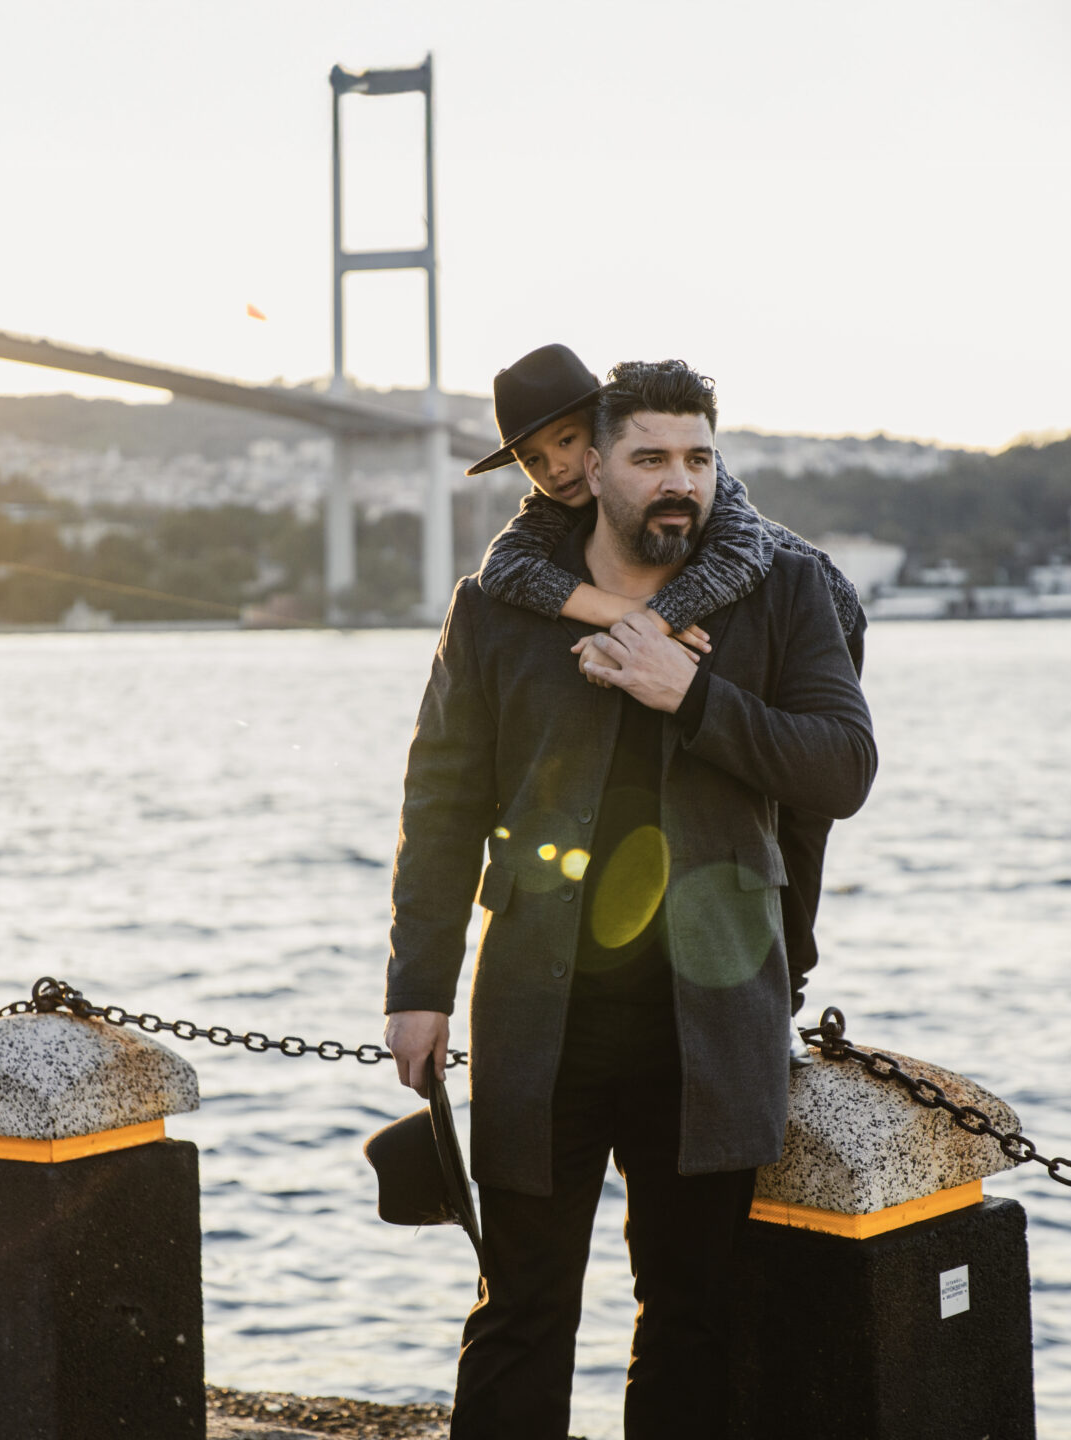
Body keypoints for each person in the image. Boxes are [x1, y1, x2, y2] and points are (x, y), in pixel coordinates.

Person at [383, 359, 877, 1437]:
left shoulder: (784, 590)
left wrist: (689, 693)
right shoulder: (495, 607)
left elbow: (841, 769)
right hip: (535, 1010)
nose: (678, 482)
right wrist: (415, 985)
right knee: (520, 1310)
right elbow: (441, 803)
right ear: (589, 468)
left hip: (715, 1014)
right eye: (649, 457)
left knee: (694, 1317)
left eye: (698, 459)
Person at [467, 343, 868, 1017]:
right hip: (670, 627)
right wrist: (625, 620)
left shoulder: (702, 490)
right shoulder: (558, 507)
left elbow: (734, 568)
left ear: (600, 430)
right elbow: (501, 572)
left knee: (796, 822)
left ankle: (789, 987)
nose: (555, 467)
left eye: (566, 441)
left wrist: (641, 634)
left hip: (824, 616)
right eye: (534, 459)